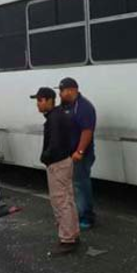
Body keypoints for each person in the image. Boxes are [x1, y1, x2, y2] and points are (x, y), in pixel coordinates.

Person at [32, 87, 80, 254]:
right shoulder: (60, 115)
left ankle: (67, 239)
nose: (37, 104)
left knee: (61, 201)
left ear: (48, 100)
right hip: (64, 161)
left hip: (58, 164)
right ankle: (73, 233)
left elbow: (54, 144)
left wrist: (45, 158)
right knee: (68, 199)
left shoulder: (54, 119)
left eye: (39, 100)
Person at [59, 77, 97, 231]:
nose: (60, 94)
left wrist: (79, 151)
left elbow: (87, 131)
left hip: (80, 154)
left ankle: (86, 217)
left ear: (71, 90)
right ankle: (80, 213)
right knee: (76, 185)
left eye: (62, 91)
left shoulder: (83, 107)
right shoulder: (69, 106)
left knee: (81, 185)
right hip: (70, 153)